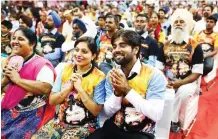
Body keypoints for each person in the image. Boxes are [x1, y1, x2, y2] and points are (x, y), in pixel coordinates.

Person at [88, 30, 167, 139]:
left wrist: (127, 90)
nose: (116, 50)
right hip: (114, 128)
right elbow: (108, 112)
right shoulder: (112, 74)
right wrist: (117, 94)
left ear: (135, 49)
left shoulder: (153, 75)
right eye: (114, 46)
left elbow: (156, 114)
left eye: (122, 46)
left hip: (141, 132)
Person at [33, 37, 106, 139]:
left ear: (93, 55)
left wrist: (80, 89)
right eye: (76, 50)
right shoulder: (65, 69)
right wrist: (67, 89)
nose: (78, 54)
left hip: (85, 125)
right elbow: (52, 101)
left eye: (84, 51)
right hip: (60, 121)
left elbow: (96, 110)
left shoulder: (99, 77)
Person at [1, 28, 56, 138]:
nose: (15, 41)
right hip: (9, 111)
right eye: (14, 38)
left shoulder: (42, 64)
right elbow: (8, 90)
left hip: (30, 115)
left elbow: (46, 88)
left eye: (20, 39)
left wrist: (18, 80)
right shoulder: (14, 61)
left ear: (32, 44)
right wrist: (5, 80)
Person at [157, 9, 204, 133]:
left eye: (181, 22)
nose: (178, 24)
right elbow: (159, 67)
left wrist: (180, 83)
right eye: (176, 22)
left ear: (187, 25)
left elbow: (197, 72)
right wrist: (164, 80)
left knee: (183, 92)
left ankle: (174, 120)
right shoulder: (165, 45)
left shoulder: (195, 46)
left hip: (187, 82)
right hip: (166, 80)